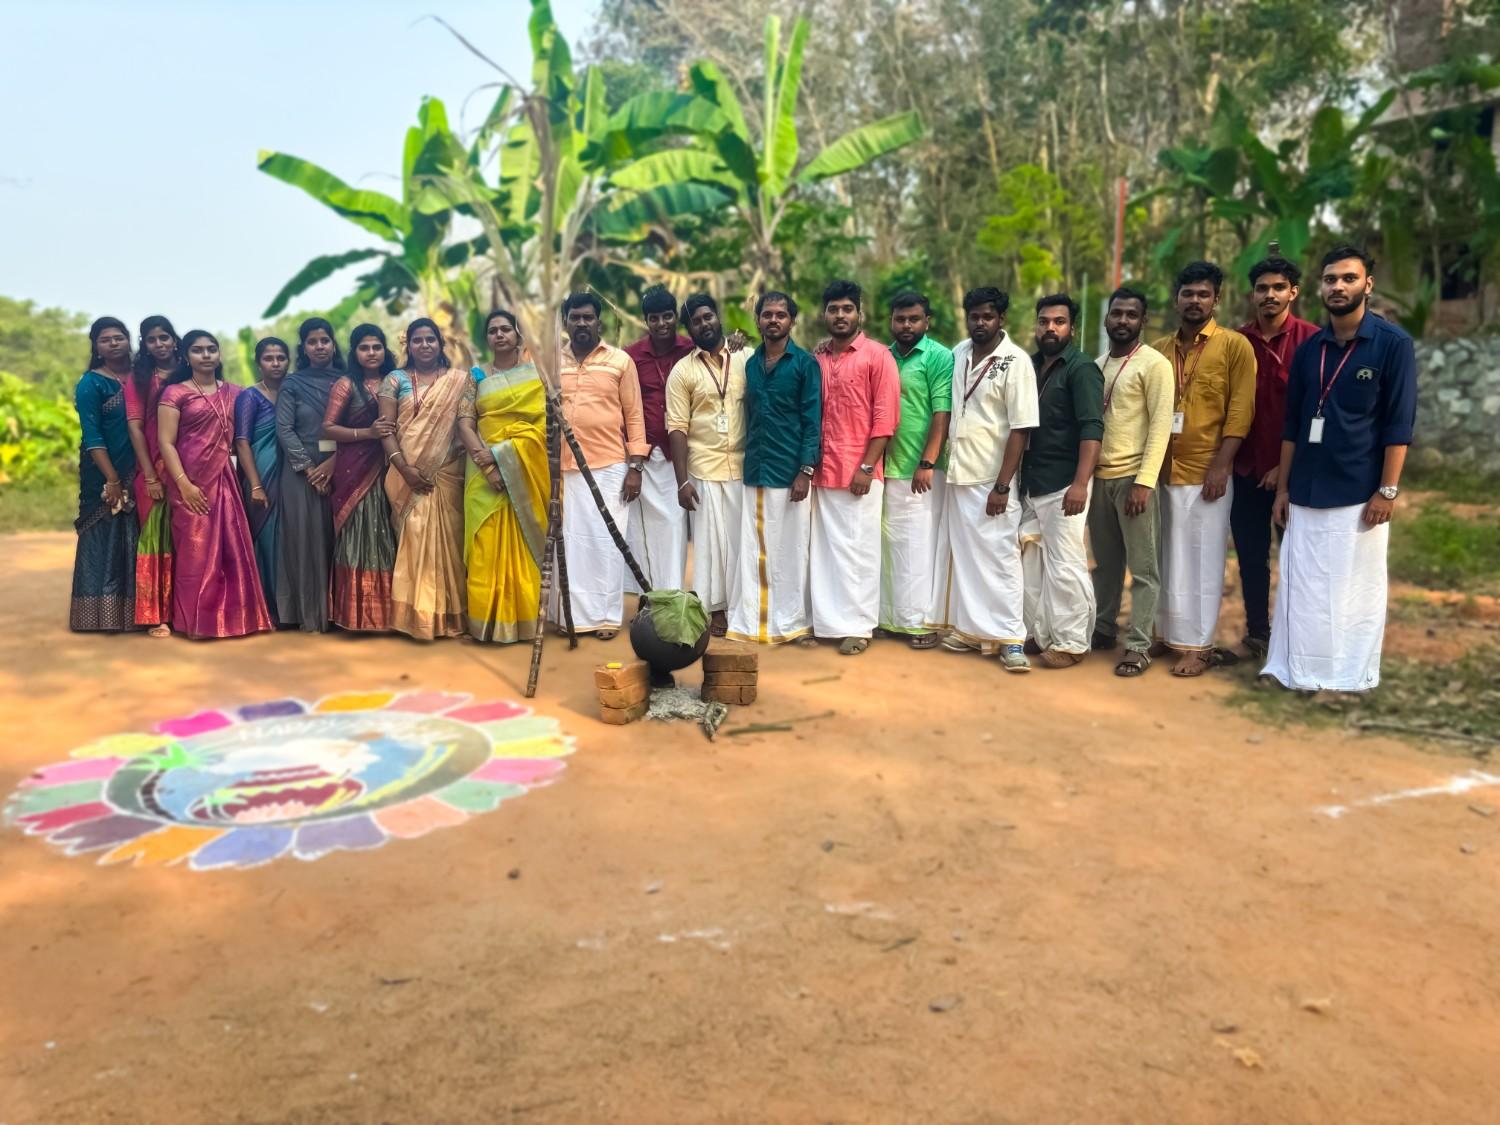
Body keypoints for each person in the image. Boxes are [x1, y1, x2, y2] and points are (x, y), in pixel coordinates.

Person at [1264, 245, 1417, 692]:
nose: (1338, 286)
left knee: (1354, 591)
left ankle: (1348, 676)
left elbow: (1399, 425)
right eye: (1331, 279)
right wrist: (1283, 489)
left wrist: (1387, 491)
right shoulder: (1310, 349)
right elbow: (1293, 425)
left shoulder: (1393, 345)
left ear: (1367, 284)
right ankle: (1296, 670)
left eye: (1349, 278)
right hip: (1305, 489)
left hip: (1358, 492)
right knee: (1304, 586)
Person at [1150, 261, 1256, 677]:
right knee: (1165, 557)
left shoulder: (1234, 347)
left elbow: (1240, 410)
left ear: (1217, 299)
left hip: (1206, 471)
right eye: (1188, 293)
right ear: (1176, 299)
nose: (1195, 301)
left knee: (1202, 559)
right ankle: (1164, 633)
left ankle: (1197, 645)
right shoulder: (1158, 350)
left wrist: (1221, 465)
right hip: (1161, 470)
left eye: (1203, 294)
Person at [926, 287, 1037, 672]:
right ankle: (973, 631)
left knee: (1001, 558)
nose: (980, 323)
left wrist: (1003, 486)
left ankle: (1011, 639)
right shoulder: (958, 353)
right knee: (967, 557)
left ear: (1001, 319)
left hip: (992, 479)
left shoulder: (1016, 361)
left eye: (987, 316)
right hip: (959, 473)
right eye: (974, 316)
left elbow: (1021, 429)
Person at [156, 331, 273, 639]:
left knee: (232, 548)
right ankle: (195, 622)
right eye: (198, 350)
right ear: (186, 356)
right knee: (194, 552)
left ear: (219, 354)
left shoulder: (236, 393)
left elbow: (245, 437)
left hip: (226, 478)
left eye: (211, 349)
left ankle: (237, 620)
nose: (206, 355)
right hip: (190, 480)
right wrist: (184, 484)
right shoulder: (175, 393)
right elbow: (166, 443)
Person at [1233, 256, 1319, 660]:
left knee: (1295, 559)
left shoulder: (1313, 342)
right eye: (1262, 288)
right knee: (1251, 558)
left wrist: (1284, 468)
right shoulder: (1237, 342)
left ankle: (1294, 640)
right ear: (1253, 294)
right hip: (1245, 470)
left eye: (1278, 287)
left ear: (1293, 293)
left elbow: (1315, 412)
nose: (1270, 294)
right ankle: (1258, 635)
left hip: (1293, 476)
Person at [808, 280, 900, 655]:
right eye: (833, 309)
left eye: (847, 309)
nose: (840, 315)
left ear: (859, 313)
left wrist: (867, 466)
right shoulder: (818, 358)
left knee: (860, 550)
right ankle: (829, 623)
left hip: (859, 471)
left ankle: (859, 627)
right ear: (824, 314)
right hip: (823, 470)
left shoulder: (878, 356)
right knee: (826, 551)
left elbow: (886, 418)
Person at [726, 291, 822, 645]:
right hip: (756, 468)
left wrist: (805, 470)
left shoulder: (804, 364)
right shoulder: (751, 363)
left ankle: (793, 624)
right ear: (758, 320)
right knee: (755, 550)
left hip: (790, 471)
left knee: (792, 551)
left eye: (781, 314)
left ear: (792, 321)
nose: (774, 320)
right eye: (767, 314)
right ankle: (753, 623)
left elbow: (812, 419)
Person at [1088, 288, 1175, 677]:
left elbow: (1160, 425)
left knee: (1143, 569)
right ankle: (1104, 628)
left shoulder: (1154, 365)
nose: (1122, 320)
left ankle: (1138, 645)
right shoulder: (1096, 365)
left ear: (1143, 320)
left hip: (1133, 479)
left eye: (1131, 314)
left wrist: (1145, 481)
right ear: (1106, 318)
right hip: (1099, 479)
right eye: (1117, 313)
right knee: (1105, 565)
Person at [554, 292, 648, 639]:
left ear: (599, 322)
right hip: (563, 466)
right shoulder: (553, 362)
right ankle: (572, 617)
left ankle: (606, 618)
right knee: (570, 543)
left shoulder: (620, 361)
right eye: (575, 317)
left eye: (588, 317)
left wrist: (636, 466)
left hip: (609, 465)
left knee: (607, 541)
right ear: (566, 322)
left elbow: (634, 414)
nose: (582, 323)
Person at [1021, 294, 1104, 667]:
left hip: (1065, 483)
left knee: (1066, 565)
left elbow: (1092, 428)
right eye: (1044, 321)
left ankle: (1071, 643)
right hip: (1032, 481)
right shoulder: (1030, 365)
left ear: (1073, 327)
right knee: (1034, 563)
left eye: (1059, 321)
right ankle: (1042, 634)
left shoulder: (1081, 369)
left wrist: (1080, 484)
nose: (1050, 328)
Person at [456, 309, 548, 643]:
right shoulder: (477, 376)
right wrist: (488, 464)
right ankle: (485, 623)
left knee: (523, 543)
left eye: (505, 329)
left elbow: (543, 425)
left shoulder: (536, 375)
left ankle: (524, 622)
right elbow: (465, 422)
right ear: (487, 338)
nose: (499, 335)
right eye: (493, 330)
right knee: (485, 544)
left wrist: (502, 455)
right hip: (482, 471)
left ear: (517, 334)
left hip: (524, 469)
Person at [379, 318, 469, 641]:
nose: (425, 345)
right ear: (409, 345)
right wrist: (405, 468)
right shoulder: (395, 379)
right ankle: (417, 617)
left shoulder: (459, 380)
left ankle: (451, 616)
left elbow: (466, 425)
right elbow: (386, 430)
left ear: (440, 344)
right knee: (415, 538)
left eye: (430, 339)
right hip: (406, 474)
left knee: (451, 543)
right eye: (417, 340)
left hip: (448, 472)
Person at [666, 293, 747, 637]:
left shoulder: (745, 357)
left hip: (744, 467)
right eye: (696, 321)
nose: (704, 324)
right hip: (704, 468)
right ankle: (715, 610)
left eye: (708, 316)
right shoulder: (682, 371)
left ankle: (744, 608)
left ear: (718, 317)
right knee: (710, 547)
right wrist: (682, 482)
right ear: (689, 330)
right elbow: (677, 427)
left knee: (742, 544)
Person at [880, 291, 952, 649]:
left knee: (918, 549)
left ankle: (920, 624)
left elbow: (942, 412)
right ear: (891, 321)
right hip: (886, 468)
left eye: (914, 319)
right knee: (890, 547)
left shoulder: (938, 356)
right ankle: (890, 619)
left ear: (927, 321)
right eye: (900, 319)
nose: (906, 325)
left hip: (921, 471)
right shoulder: (884, 356)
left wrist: (928, 461)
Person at [322, 325, 398, 632]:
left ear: (385, 350)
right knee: (359, 535)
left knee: (389, 535)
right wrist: (368, 433)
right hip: (355, 471)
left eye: (376, 347)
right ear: (354, 352)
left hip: (393, 468)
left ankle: (390, 614)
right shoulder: (346, 384)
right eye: (364, 347)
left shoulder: (396, 380)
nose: (371, 353)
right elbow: (328, 428)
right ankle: (354, 614)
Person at [622, 285, 694, 592]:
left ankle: (673, 591)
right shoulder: (631, 356)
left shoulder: (691, 349)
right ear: (646, 321)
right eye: (654, 318)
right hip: (647, 453)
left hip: (683, 452)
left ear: (676, 316)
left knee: (676, 526)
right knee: (643, 529)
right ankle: (648, 595)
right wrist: (635, 462)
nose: (662, 323)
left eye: (667, 316)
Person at [69, 317, 139, 632]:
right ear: (96, 348)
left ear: (128, 340)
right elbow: (92, 435)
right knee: (103, 535)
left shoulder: (142, 377)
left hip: (141, 470)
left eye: (118, 337)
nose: (113, 343)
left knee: (135, 535)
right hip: (102, 472)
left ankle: (136, 613)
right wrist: (112, 478)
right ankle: (98, 616)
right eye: (105, 339)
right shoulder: (91, 383)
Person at [274, 318, 342, 632]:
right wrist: (309, 468)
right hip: (300, 471)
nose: (319, 346)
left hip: (343, 465)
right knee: (303, 539)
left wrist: (333, 464)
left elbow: (356, 425)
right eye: (312, 342)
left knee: (336, 537)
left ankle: (339, 612)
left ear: (333, 345)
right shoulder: (292, 383)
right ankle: (308, 615)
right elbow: (284, 429)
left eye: (324, 340)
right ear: (304, 348)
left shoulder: (346, 381)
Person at [124, 315, 179, 636]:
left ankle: (189, 612)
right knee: (157, 539)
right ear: (144, 344)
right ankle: (158, 615)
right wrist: (149, 476)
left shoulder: (190, 371)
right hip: (155, 469)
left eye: (164, 337)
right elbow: (135, 427)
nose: (159, 344)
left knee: (192, 538)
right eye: (152, 339)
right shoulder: (141, 378)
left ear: (175, 339)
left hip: (194, 468)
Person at [234, 337, 289, 621]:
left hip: (292, 477)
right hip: (262, 477)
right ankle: (268, 609)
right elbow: (242, 441)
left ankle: (291, 608)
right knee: (267, 539)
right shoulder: (250, 396)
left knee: (289, 540)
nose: (276, 363)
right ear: (259, 363)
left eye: (281, 358)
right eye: (269, 358)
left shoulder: (293, 392)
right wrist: (255, 484)